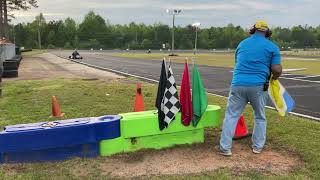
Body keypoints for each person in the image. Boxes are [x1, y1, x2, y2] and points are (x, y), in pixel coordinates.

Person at [219, 20, 282, 156]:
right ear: (267, 32)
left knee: (231, 116)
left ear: (252, 30)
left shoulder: (242, 44)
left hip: (238, 84)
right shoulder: (272, 47)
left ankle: (225, 148)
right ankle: (257, 147)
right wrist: (275, 78)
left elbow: (238, 62)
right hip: (258, 87)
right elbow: (276, 69)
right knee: (260, 117)